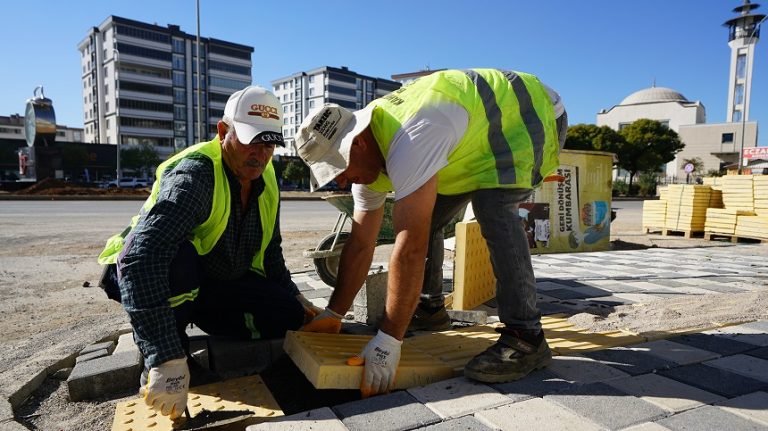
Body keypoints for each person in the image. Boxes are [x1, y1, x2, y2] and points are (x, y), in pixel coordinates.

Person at [295, 68, 567, 397]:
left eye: (339, 168)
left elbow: (409, 248)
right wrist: (334, 313)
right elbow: (360, 244)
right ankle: (430, 308)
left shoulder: (412, 137)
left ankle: (527, 336)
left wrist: (389, 339)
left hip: (528, 114)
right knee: (431, 216)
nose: (338, 180)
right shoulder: (367, 164)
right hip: (471, 141)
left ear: (361, 141)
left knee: (493, 207)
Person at [97, 86, 320, 419]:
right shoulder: (196, 176)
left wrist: (299, 300)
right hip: (145, 272)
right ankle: (171, 359)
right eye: (251, 140)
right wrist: (163, 355)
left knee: (286, 315)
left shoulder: (266, 174)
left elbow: (271, 253)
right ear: (223, 132)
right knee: (179, 262)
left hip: (210, 283)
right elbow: (142, 257)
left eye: (269, 143)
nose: (260, 154)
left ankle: (192, 319)